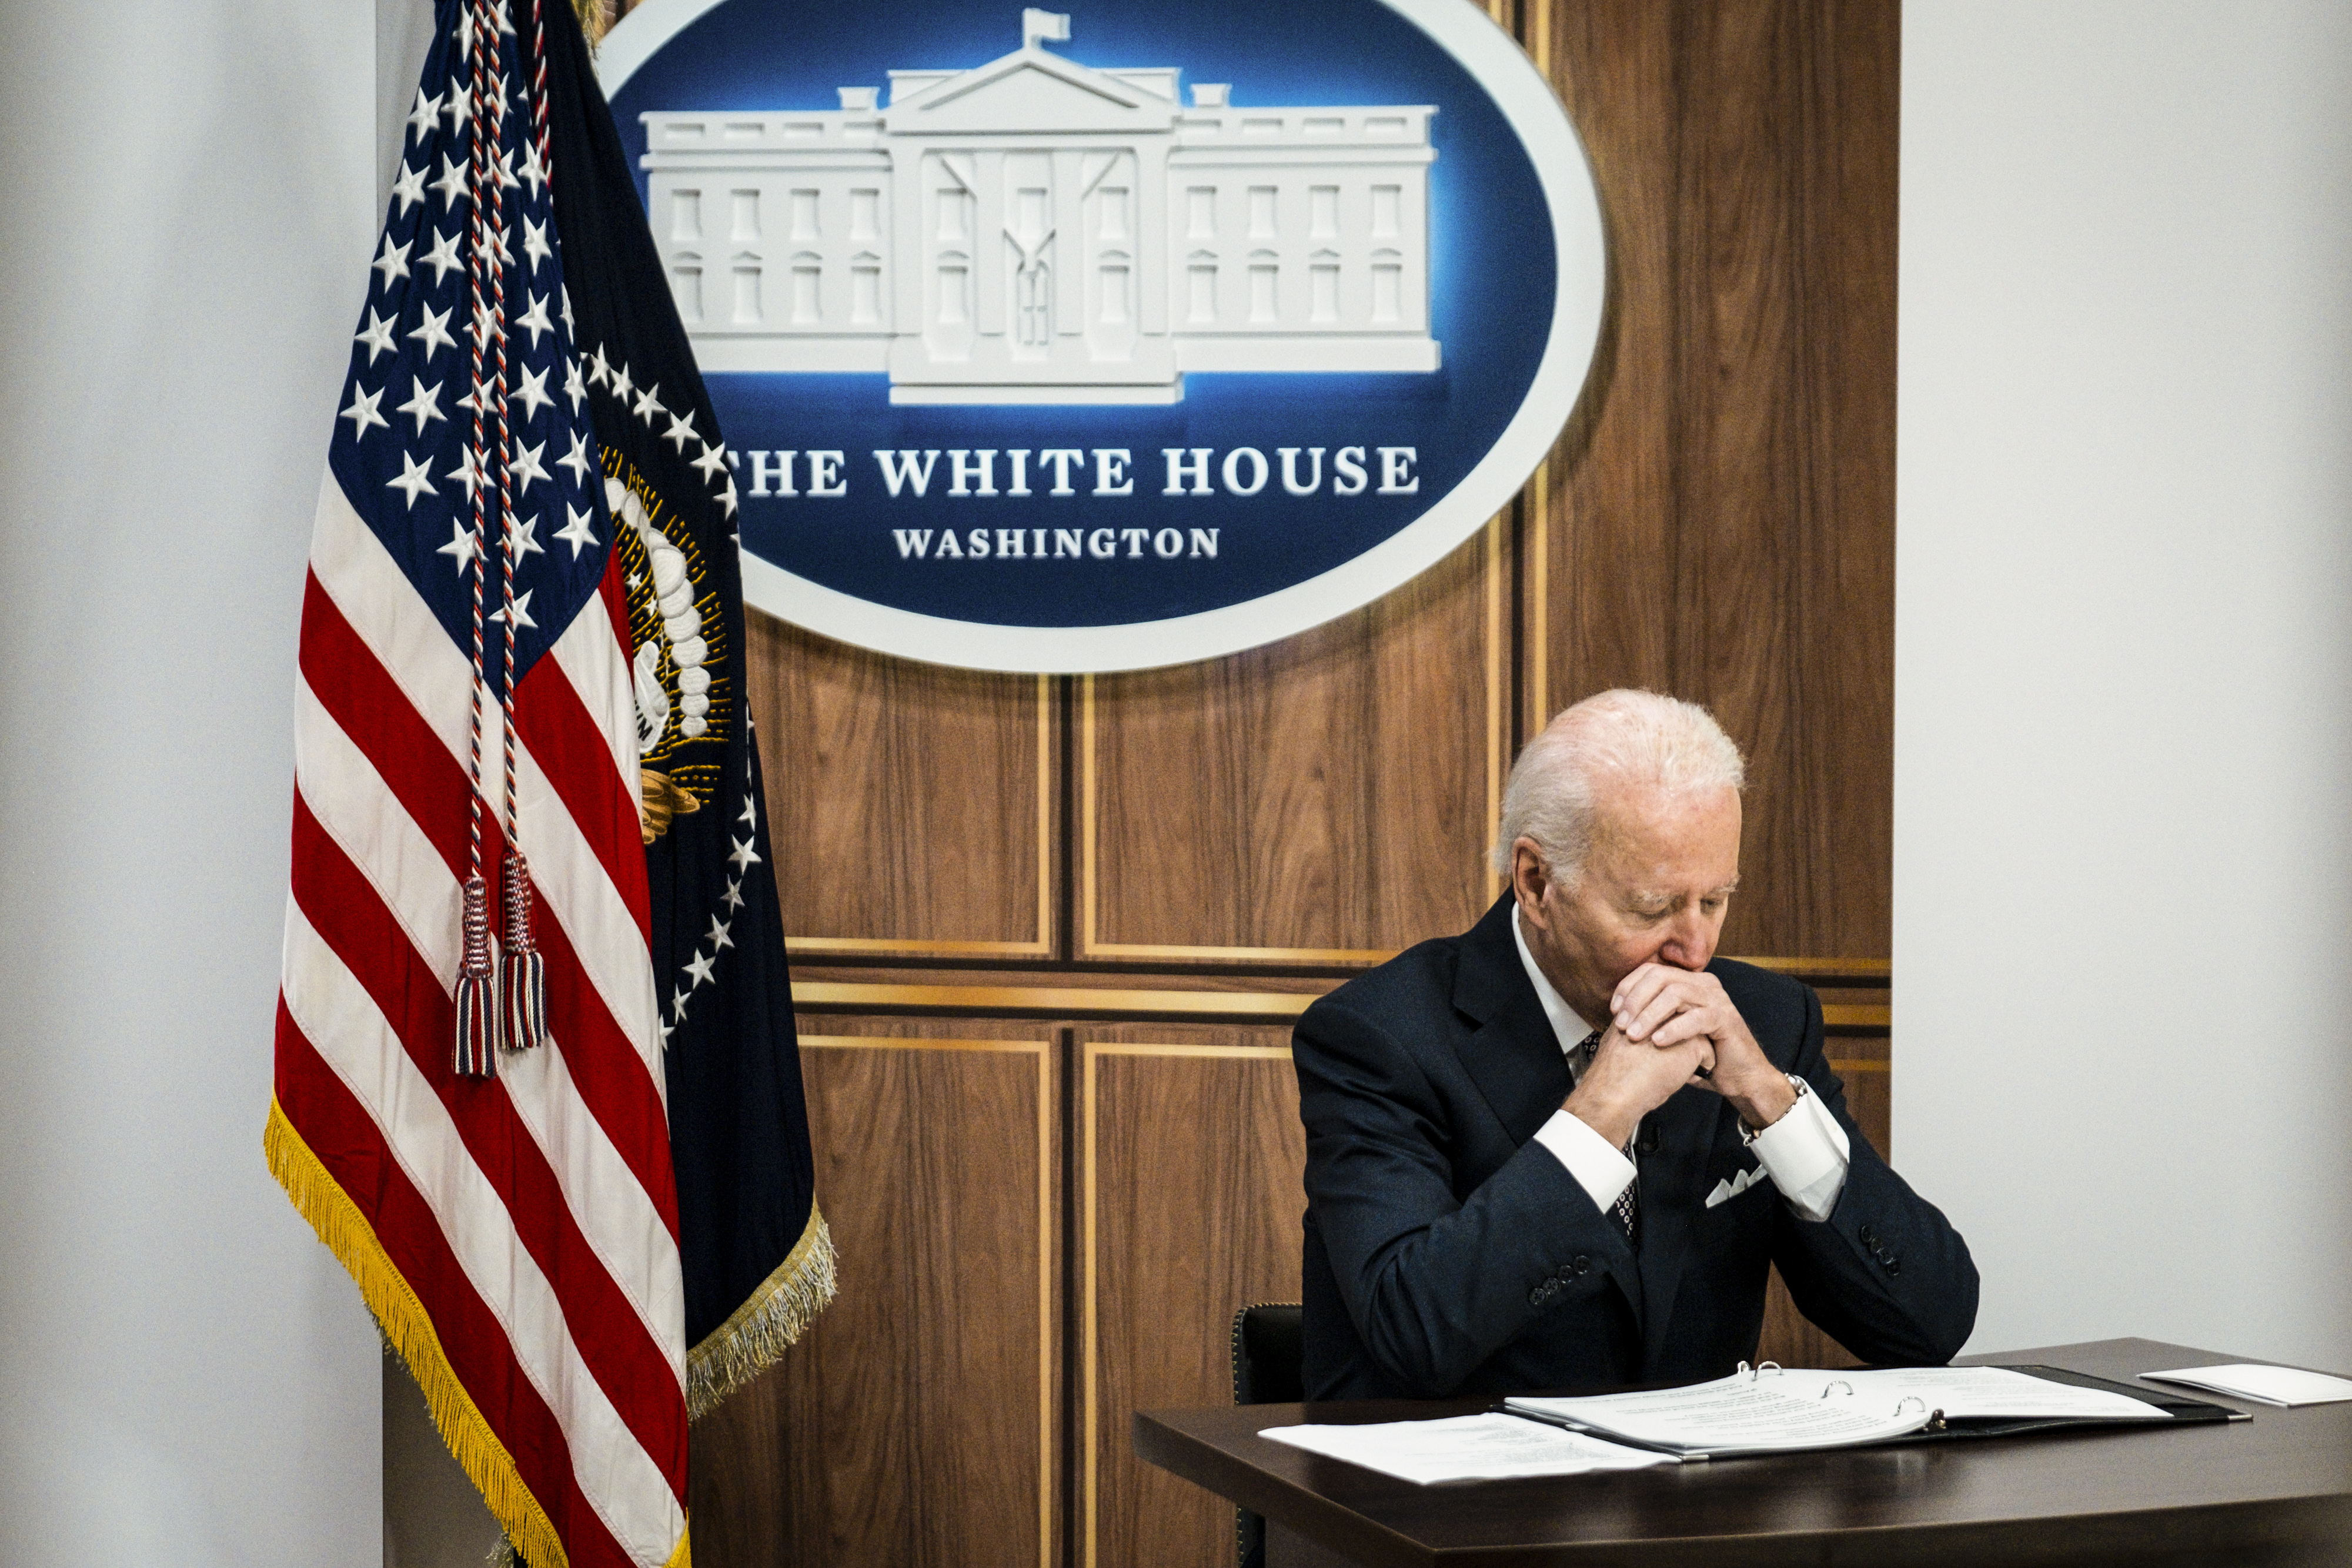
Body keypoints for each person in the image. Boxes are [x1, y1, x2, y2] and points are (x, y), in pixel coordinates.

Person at [1295, 689, 1978, 1399]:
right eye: (1653, 908)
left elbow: (1930, 1328)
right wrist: (1598, 1119)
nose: (1696, 947)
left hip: (1689, 1503)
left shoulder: (1766, 1023)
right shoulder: (1379, 1036)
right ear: (1536, 882)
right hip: (1445, 1501)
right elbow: (1413, 1333)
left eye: (1714, 900)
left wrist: (1772, 1106)